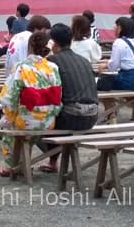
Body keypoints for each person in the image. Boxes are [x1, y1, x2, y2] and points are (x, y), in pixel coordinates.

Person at [0, 31, 62, 176]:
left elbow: (8, 97)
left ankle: (14, 165)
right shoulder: (53, 68)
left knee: (8, 125)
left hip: (26, 120)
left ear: (30, 47)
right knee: (27, 124)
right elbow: (58, 96)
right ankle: (22, 162)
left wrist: (8, 115)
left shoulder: (21, 67)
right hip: (48, 120)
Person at [39, 23, 99, 172]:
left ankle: (49, 159)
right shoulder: (84, 61)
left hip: (71, 117)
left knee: (32, 122)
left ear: (52, 42)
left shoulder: (52, 61)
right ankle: (53, 160)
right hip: (92, 116)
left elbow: (47, 92)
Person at [97, 17, 134, 123]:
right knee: (120, 83)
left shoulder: (119, 42)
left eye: (115, 26)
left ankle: (110, 114)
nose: (113, 28)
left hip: (130, 80)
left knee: (102, 84)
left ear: (120, 28)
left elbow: (113, 66)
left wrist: (104, 65)